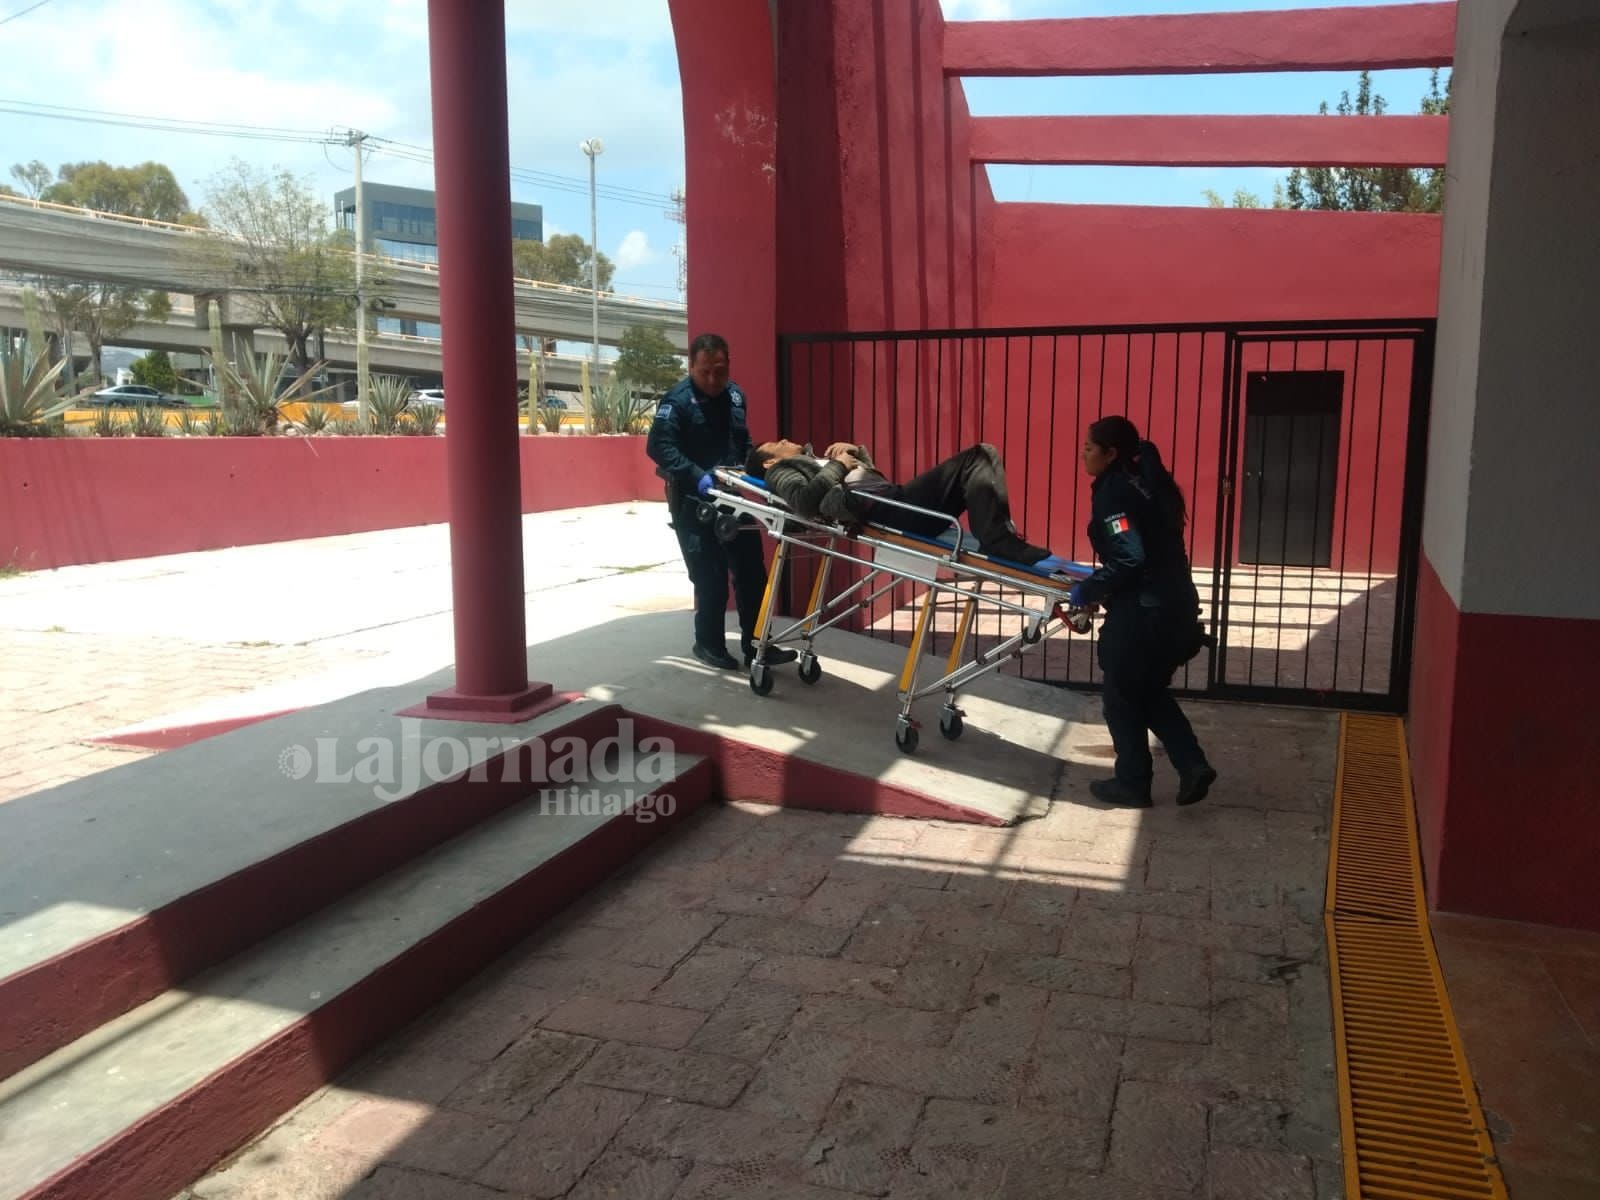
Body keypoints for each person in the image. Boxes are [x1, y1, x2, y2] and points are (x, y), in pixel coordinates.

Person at [1068, 415, 1217, 808]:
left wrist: (1088, 589)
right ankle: (1192, 765)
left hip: (1145, 614)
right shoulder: (1150, 484)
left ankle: (1132, 783)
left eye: (1088, 448)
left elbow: (1130, 558)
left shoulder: (1115, 492)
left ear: (1110, 453)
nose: (1082, 455)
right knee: (1147, 689)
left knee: (1120, 693)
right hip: (1180, 609)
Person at [647, 333, 798, 672]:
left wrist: (761, 466)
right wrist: (695, 474)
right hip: (692, 501)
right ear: (692, 367)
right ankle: (708, 644)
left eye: (719, 370)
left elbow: (742, 442)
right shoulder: (678, 402)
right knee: (710, 578)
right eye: (705, 372)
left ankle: (758, 644)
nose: (713, 379)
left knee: (752, 574)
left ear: (728, 365)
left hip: (733, 499)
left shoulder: (734, 397)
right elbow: (658, 447)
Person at [746, 439, 1077, 573]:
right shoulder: (781, 472)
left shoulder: (816, 460)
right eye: (779, 442)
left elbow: (873, 478)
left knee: (980, 459)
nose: (788, 439)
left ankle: (999, 538)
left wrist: (855, 454)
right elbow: (804, 504)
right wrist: (840, 466)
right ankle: (1001, 542)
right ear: (769, 461)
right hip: (888, 509)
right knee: (979, 456)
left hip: (894, 499)